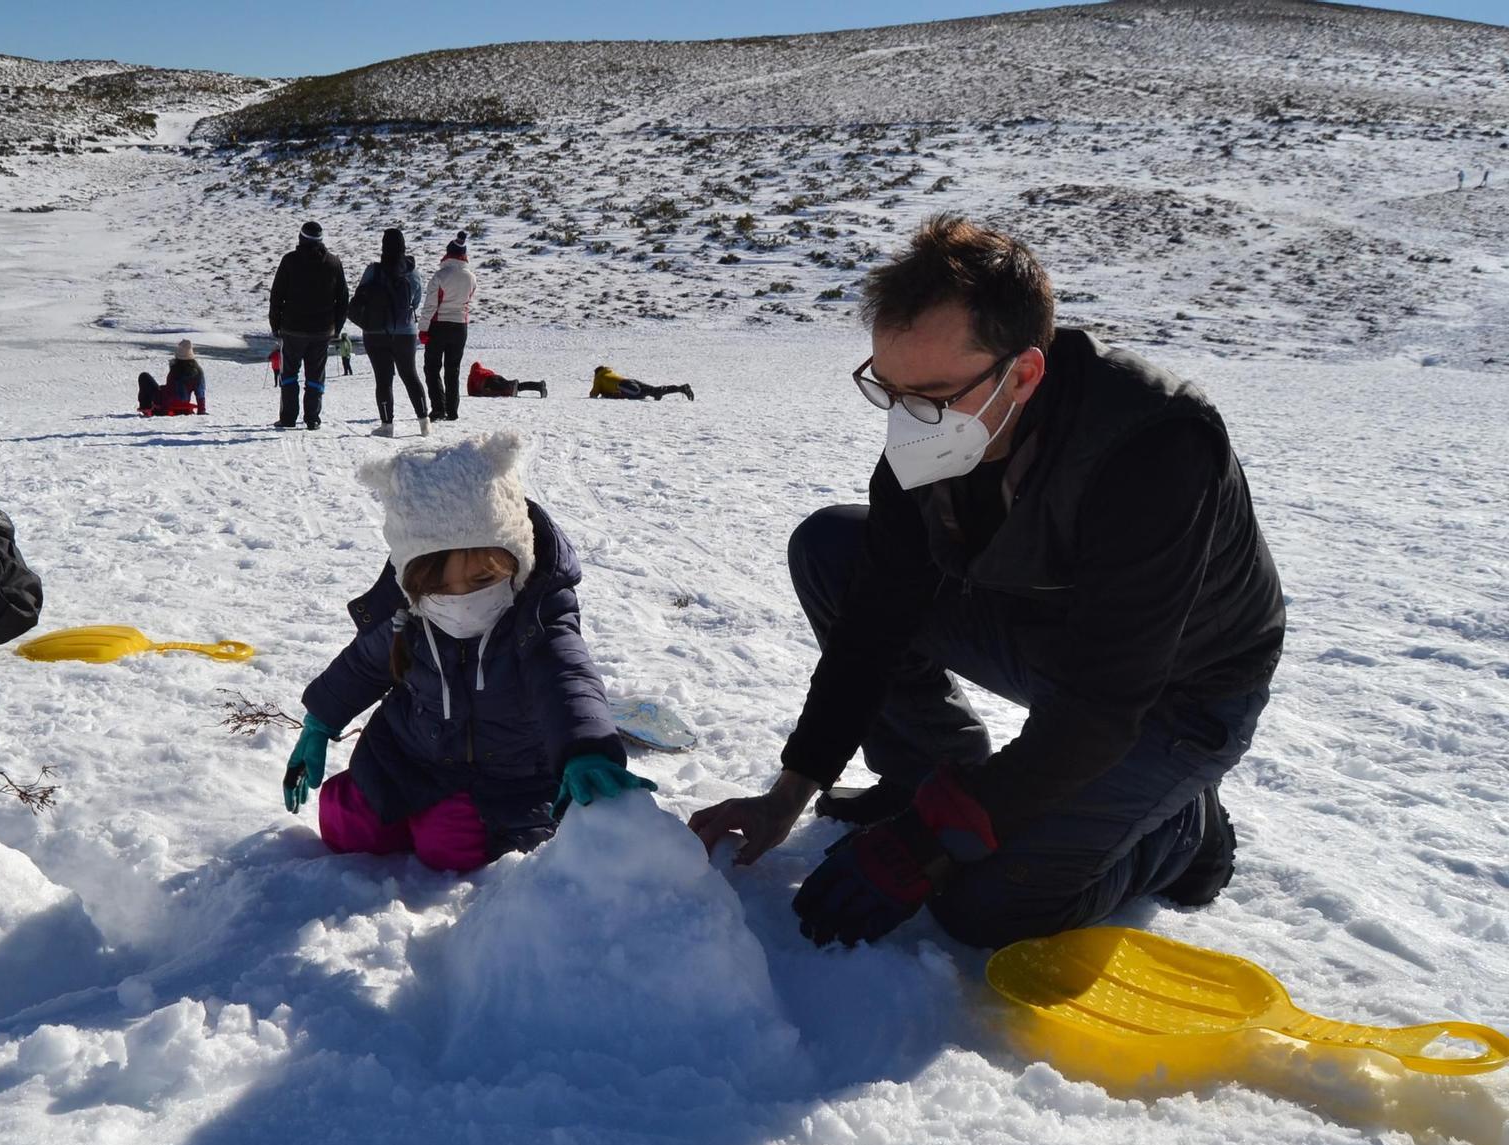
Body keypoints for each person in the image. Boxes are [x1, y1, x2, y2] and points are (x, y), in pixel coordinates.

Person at [688, 214, 1285, 951]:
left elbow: (1103, 702)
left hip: (1179, 691)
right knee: (834, 549)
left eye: (934, 394)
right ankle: (926, 771)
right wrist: (789, 794)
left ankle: (1182, 830)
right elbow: (873, 622)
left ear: (1024, 372)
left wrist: (930, 844)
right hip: (1050, 637)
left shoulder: (1154, 446)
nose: (909, 421)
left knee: (982, 904)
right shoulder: (931, 442)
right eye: (889, 390)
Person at [283, 433, 652, 871]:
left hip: (508, 777)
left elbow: (565, 677)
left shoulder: (535, 615)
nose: (460, 599)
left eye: (480, 582)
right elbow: (365, 662)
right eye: (440, 586)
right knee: (343, 819)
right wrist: (320, 720)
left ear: (516, 563)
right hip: (412, 757)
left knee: (450, 843)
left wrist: (586, 749)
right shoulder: (410, 611)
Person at [268, 220, 348, 431]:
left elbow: (277, 296)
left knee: (289, 375)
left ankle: (288, 417)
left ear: (301, 238)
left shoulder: (289, 261)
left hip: (292, 329)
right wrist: (336, 329)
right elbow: (343, 299)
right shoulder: (333, 262)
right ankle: (312, 418)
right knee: (316, 374)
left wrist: (275, 325)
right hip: (322, 330)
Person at [355, 228, 430, 438]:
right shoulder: (413, 272)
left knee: (383, 379)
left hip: (375, 332)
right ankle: (424, 422)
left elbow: (361, 295)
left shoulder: (373, 271)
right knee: (410, 375)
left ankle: (387, 425)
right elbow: (415, 302)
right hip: (405, 332)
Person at [422, 231, 476, 421]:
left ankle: (438, 408)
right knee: (453, 369)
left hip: (438, 326)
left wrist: (423, 328)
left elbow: (430, 305)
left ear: (448, 253)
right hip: (461, 326)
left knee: (432, 367)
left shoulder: (440, 275)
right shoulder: (471, 277)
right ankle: (452, 410)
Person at [589, 366, 692, 401]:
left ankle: (659, 392)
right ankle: (680, 388)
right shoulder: (610, 372)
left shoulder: (599, 377)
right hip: (630, 381)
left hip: (622, 385)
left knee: (637, 395)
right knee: (654, 391)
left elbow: (594, 393)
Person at [163, 339, 207, 414]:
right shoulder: (197, 372)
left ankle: (146, 405)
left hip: (166, 402)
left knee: (144, 377)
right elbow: (200, 392)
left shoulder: (175, 368)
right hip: (182, 403)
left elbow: (170, 388)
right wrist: (201, 410)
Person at [467, 361, 547, 399]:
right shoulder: (485, 370)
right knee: (516, 387)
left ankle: (512, 384)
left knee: (506, 387)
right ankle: (538, 386)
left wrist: (479, 392)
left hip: (488, 382)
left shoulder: (471, 375)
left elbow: (470, 391)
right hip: (496, 377)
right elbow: (492, 373)